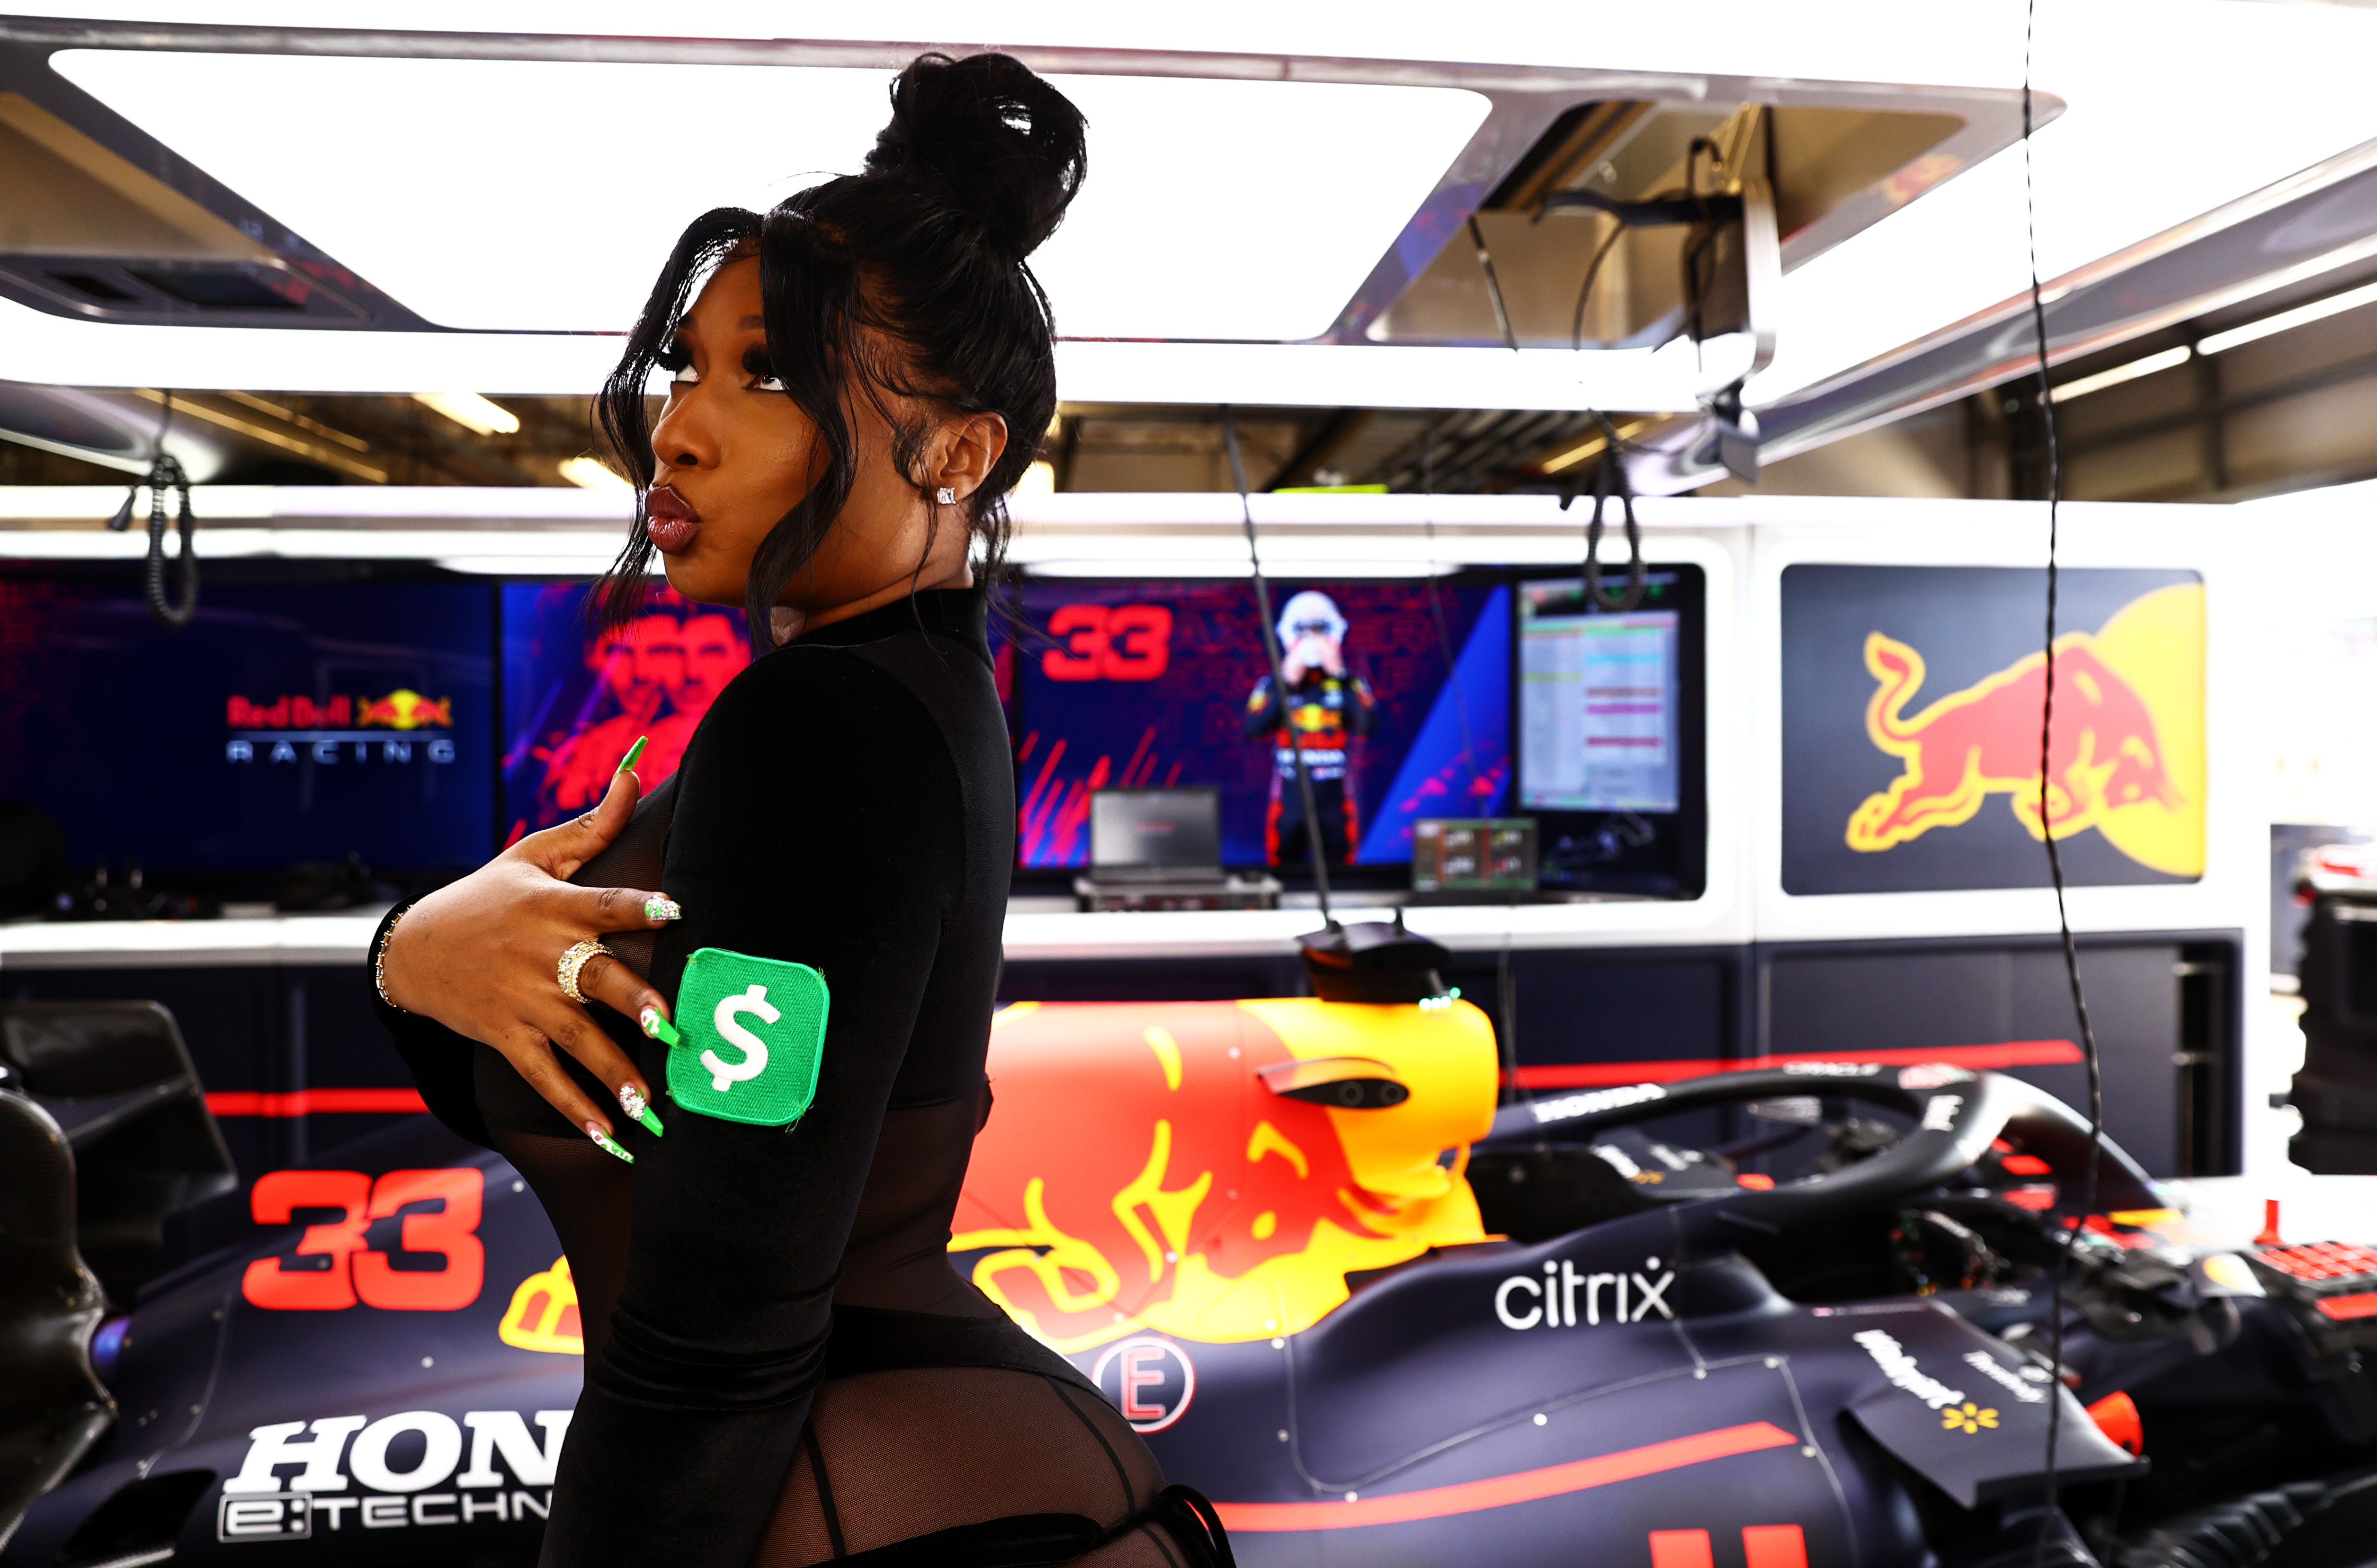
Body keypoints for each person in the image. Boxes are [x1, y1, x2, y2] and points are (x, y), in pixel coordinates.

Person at [368, 53, 1229, 1568]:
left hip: (870, 1495)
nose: (678, 431)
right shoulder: (905, 693)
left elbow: (721, 1307)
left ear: (957, 453)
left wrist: (420, 953)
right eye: (686, 368)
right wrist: (417, 952)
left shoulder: (828, 724)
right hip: (934, 1467)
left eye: (765, 374)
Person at [1241, 588, 1374, 867]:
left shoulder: (1349, 682)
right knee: (1283, 876)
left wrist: (1339, 674)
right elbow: (1253, 727)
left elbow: (1369, 725)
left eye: (1319, 631)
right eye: (1305, 631)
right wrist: (1286, 682)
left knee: (1343, 877)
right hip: (1289, 801)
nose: (1313, 640)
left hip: (1336, 801)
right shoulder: (1273, 684)